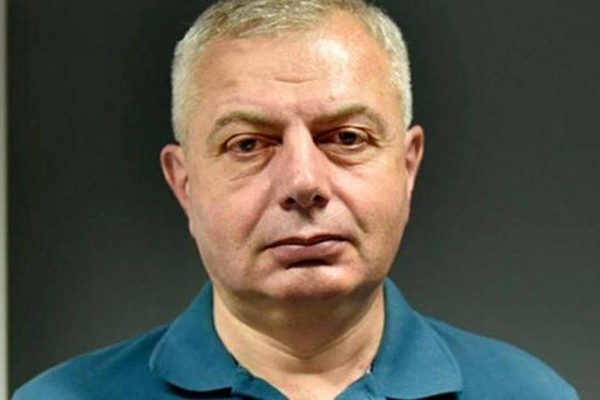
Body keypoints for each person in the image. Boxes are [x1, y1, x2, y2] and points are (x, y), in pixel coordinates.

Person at [13, 0, 578, 399]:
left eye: (347, 138)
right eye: (248, 144)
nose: (303, 182)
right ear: (184, 184)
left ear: (408, 166)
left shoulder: (531, 394)